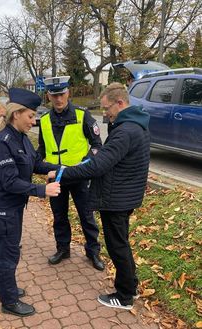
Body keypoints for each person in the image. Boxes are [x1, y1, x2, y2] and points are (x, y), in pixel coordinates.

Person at [50, 82, 150, 310]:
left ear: (120, 103)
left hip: (117, 198)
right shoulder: (135, 125)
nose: (104, 114)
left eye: (107, 109)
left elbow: (98, 166)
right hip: (126, 194)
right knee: (121, 243)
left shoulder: (125, 131)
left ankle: (124, 296)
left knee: (117, 247)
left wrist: (63, 172)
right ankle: (131, 286)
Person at [0, 88, 61, 317]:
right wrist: (41, 190)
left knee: (5, 250)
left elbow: (35, 163)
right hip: (3, 208)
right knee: (9, 253)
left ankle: (2, 287)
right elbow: (10, 182)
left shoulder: (22, 138)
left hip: (14, 207)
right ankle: (9, 302)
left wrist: (56, 168)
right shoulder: (2, 141)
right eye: (30, 116)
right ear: (16, 114)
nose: (34, 120)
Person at [38, 76, 105, 271]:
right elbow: (42, 149)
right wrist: (35, 164)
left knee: (86, 215)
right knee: (59, 216)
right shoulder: (43, 120)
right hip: (56, 177)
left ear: (68, 93)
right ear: (48, 95)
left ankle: (93, 252)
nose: (58, 99)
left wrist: (86, 163)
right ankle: (63, 249)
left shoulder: (82, 115)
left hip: (78, 176)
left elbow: (96, 146)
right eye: (54, 95)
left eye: (62, 94)